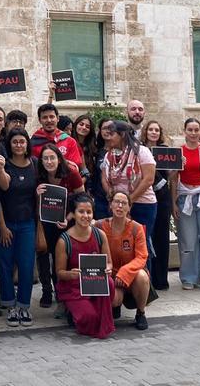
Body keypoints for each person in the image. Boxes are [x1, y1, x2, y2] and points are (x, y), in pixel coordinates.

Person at [54, 193, 115, 339]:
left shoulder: (100, 235)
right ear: (73, 214)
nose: (85, 216)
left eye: (89, 212)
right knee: (89, 319)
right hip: (73, 287)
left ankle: (99, 316)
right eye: (81, 212)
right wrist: (71, 274)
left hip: (95, 283)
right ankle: (75, 313)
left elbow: (109, 262)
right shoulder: (64, 240)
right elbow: (59, 272)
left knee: (110, 283)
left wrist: (108, 269)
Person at [0, 128, 38, 327]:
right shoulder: (6, 165)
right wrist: (2, 226)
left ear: (27, 144)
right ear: (9, 145)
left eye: (22, 141)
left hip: (28, 224)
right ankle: (10, 305)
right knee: (5, 265)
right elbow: (1, 195)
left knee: (27, 265)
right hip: (8, 223)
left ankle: (23, 306)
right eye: (15, 142)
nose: (19, 145)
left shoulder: (35, 165)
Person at [35, 144, 85, 314]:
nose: (49, 162)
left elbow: (83, 198)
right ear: (41, 161)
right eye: (45, 158)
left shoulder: (71, 173)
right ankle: (46, 291)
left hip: (65, 222)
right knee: (42, 255)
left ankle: (60, 293)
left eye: (52, 158)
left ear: (59, 158)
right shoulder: (38, 175)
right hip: (44, 223)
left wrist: (69, 217)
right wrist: (36, 193)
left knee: (60, 259)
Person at [171, 118, 200, 292]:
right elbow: (173, 179)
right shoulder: (179, 152)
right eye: (190, 130)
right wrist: (174, 203)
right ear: (184, 131)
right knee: (188, 240)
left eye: (196, 130)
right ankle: (189, 277)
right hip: (186, 198)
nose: (193, 133)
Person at [97, 192, 151, 330]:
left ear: (129, 208)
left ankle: (141, 313)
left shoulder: (136, 228)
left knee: (143, 277)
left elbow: (142, 257)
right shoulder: (99, 226)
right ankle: (115, 306)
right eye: (116, 202)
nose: (119, 206)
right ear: (110, 205)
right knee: (115, 300)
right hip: (111, 275)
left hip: (131, 274)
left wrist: (125, 271)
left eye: (124, 203)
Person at [100, 121, 157, 241]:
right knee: (121, 242)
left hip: (142, 204)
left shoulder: (141, 151)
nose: (108, 137)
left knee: (140, 242)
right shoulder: (109, 155)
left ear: (122, 135)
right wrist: (112, 196)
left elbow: (148, 179)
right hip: (118, 205)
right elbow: (104, 178)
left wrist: (129, 201)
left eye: (112, 134)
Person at [141, 120, 174, 290]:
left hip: (163, 197)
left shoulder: (166, 150)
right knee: (147, 237)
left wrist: (177, 165)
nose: (153, 132)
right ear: (145, 131)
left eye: (157, 130)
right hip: (145, 196)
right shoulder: (139, 149)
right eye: (151, 129)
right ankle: (147, 277)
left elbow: (170, 175)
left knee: (161, 237)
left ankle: (161, 279)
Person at [90, 117, 114, 219]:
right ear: (100, 131)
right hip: (100, 199)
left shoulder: (123, 151)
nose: (108, 130)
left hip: (118, 199)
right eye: (104, 128)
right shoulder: (96, 152)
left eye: (111, 128)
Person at [73, 114, 96, 180]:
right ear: (76, 125)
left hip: (87, 184)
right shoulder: (70, 142)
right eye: (81, 124)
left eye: (87, 126)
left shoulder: (92, 147)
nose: (84, 127)